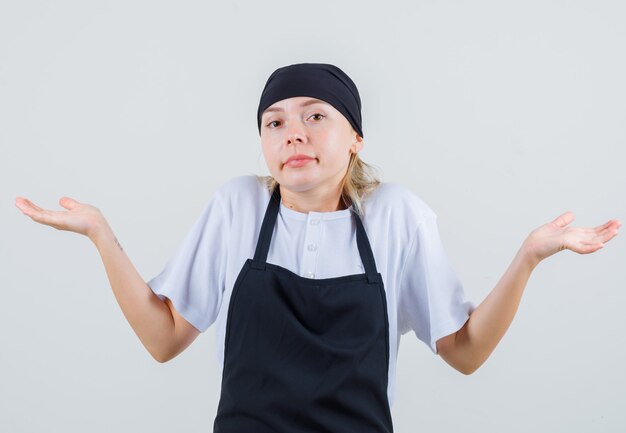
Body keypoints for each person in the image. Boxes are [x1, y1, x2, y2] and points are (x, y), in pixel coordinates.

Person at [15, 62, 621, 432]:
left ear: (354, 137)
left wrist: (529, 256)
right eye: (274, 122)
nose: (293, 133)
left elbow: (463, 351)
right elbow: (164, 337)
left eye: (315, 116)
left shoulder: (396, 216)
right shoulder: (237, 207)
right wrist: (101, 234)